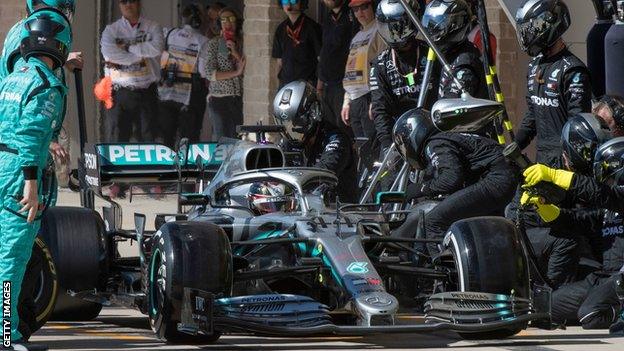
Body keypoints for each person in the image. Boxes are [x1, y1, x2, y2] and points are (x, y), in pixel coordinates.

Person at [0, 9, 72, 351]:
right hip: (19, 176)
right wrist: (31, 181)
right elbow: (31, 134)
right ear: (59, 46)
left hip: (2, 165)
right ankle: (5, 335)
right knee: (11, 257)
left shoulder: (13, 77)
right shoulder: (47, 84)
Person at [521, 137, 624, 330]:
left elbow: (600, 193)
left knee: (590, 316)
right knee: (543, 308)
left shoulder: (616, 198)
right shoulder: (608, 211)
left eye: (606, 173)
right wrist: (542, 205)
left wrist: (554, 175)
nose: (603, 179)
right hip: (603, 278)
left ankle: (616, 312)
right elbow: (575, 221)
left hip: (621, 278)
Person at [391, 108, 517, 255]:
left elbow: (451, 178)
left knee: (433, 222)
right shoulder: (450, 135)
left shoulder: (434, 144)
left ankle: (444, 272)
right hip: (506, 176)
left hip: (497, 179)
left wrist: (420, 189)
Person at [514, 0, 592, 168]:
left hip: (565, 160)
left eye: (532, 28)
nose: (527, 35)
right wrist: (516, 144)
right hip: (542, 156)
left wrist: (571, 159)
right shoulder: (534, 67)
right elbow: (532, 114)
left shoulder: (573, 70)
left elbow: (577, 122)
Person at [370, 0, 439, 157]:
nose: (393, 34)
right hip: (398, 137)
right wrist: (388, 146)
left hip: (433, 132)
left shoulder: (432, 53)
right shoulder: (380, 64)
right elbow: (380, 110)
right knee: (386, 180)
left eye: (397, 27)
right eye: (387, 28)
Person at [273, 80, 358, 203]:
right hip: (299, 212)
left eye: (297, 123)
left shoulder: (336, 139)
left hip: (336, 214)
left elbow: (324, 172)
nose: (291, 130)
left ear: (313, 114)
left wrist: (286, 187)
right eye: (286, 124)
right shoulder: (288, 142)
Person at [101, 0, 164, 143]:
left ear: (139, 3)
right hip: (119, 92)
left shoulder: (153, 27)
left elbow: (157, 48)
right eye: (124, 1)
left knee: (148, 139)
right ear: (119, 5)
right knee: (117, 139)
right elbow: (110, 54)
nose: (128, 4)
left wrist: (128, 48)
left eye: (132, 1)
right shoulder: (111, 30)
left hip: (147, 91)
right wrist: (140, 56)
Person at [157, 4, 209, 148]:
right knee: (188, 139)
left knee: (166, 136)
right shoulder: (203, 41)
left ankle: (166, 167)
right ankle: (187, 168)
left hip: (166, 92)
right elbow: (204, 71)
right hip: (190, 97)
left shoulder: (169, 33)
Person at [423, 0, 488, 100]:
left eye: (438, 28)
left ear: (456, 25)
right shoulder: (443, 56)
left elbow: (451, 102)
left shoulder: (465, 62)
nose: (433, 34)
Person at [341, 0, 385, 141]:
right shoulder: (356, 37)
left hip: (369, 97)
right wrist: (346, 101)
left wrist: (376, 99)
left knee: (372, 148)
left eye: (364, 7)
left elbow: (382, 68)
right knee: (362, 149)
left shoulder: (380, 30)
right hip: (354, 100)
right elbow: (350, 70)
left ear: (373, 7)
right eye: (355, 9)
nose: (360, 13)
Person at [204, 7, 246, 141]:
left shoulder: (243, 43)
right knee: (222, 138)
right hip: (219, 98)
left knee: (238, 137)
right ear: (219, 24)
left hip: (239, 98)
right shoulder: (214, 43)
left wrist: (236, 54)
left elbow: (248, 70)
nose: (228, 23)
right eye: (224, 20)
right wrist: (235, 72)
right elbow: (210, 73)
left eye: (232, 19)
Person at [318, 0, 360, 131]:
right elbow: (324, 52)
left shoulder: (353, 15)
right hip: (326, 85)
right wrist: (319, 83)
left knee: (344, 130)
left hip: (343, 85)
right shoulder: (327, 18)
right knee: (328, 130)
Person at [272, 0, 322, 88]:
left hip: (307, 83)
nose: (289, 4)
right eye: (285, 1)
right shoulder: (280, 29)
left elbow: (321, 59)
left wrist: (319, 86)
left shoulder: (313, 27)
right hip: (285, 84)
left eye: (293, 0)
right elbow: (279, 62)